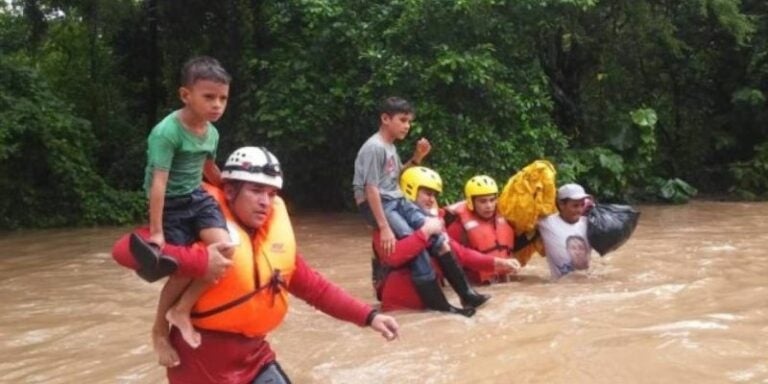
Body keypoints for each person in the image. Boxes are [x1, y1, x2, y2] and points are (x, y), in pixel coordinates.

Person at [113, 147, 399, 383]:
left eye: (272, 194)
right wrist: (201, 261)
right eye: (256, 190)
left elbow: (317, 290)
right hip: (200, 362)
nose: (265, 202)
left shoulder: (272, 241)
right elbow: (124, 250)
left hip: (255, 356)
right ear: (228, 191)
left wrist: (369, 317)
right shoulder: (199, 225)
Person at [129, 56, 238, 365]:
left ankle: (182, 310)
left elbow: (208, 167)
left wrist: (228, 189)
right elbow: (158, 184)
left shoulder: (212, 133)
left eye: (223, 98)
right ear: (185, 95)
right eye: (209, 97)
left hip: (197, 197)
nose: (217, 105)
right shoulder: (167, 133)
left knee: (226, 251)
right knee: (183, 272)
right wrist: (157, 232)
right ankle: (159, 331)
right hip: (171, 205)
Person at [353, 97, 488, 317]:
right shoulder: (374, 147)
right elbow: (371, 188)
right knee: (416, 241)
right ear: (385, 119)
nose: (407, 125)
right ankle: (444, 308)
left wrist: (417, 157)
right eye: (403, 120)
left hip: (395, 199)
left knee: (439, 238)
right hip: (376, 203)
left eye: (409, 121)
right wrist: (384, 226)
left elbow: (396, 176)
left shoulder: (390, 147)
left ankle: (466, 293)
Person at [372, 167, 520, 311]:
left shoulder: (430, 222)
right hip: (399, 311)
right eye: (428, 194)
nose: (432, 200)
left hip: (429, 307)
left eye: (434, 195)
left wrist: (499, 263)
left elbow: (460, 254)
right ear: (410, 191)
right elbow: (394, 256)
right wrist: (425, 233)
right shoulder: (385, 228)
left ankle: (467, 297)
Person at [444, 175, 524, 284]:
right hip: (476, 285)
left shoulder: (505, 217)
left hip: (504, 282)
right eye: (483, 201)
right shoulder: (458, 226)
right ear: (471, 202)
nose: (489, 206)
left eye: (492, 200)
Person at [537, 183, 593, 279]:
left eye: (582, 205)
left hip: (586, 286)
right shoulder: (546, 223)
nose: (579, 210)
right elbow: (524, 219)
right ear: (561, 205)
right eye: (575, 206)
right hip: (560, 287)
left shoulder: (590, 224)